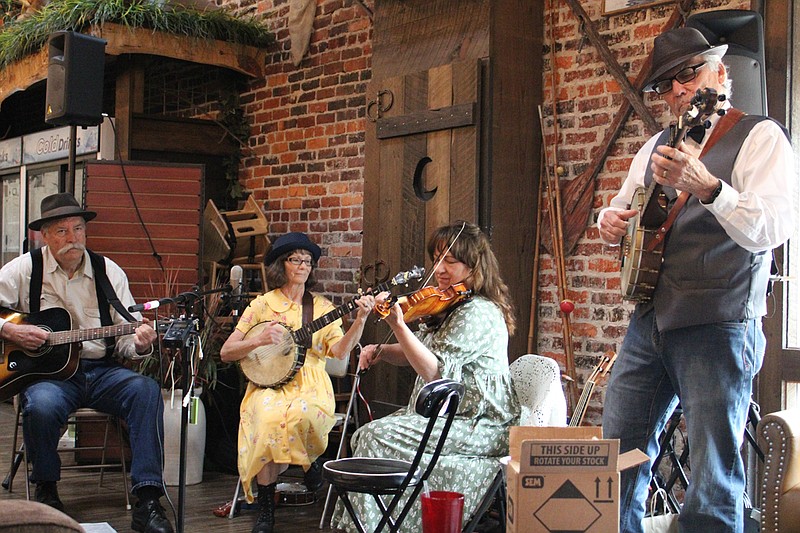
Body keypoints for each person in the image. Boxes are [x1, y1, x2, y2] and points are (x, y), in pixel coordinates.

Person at [598, 27, 796, 533]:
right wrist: (609, 221)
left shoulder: (761, 137)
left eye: (689, 74)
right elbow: (624, 211)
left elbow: (773, 228)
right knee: (619, 452)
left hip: (719, 321)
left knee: (712, 471)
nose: (678, 90)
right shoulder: (654, 147)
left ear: (720, 74)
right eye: (666, 84)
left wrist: (710, 187)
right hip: (650, 320)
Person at [0, 193, 173, 533]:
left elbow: (127, 337)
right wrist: (12, 332)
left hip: (102, 370)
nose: (72, 238)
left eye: (78, 229)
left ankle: (148, 500)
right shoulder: (24, 268)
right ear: (45, 236)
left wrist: (140, 344)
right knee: (42, 405)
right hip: (50, 377)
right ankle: (46, 491)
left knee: (147, 390)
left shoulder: (108, 271)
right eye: (62, 231)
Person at [332, 220, 520, 533]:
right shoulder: (451, 306)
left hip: (481, 424)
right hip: (451, 418)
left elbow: (435, 372)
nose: (441, 269)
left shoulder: (479, 312)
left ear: (475, 267)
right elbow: (418, 354)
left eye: (451, 260)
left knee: (373, 436)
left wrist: (398, 325)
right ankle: (376, 524)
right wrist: (382, 350)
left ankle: (378, 525)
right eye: (437, 259)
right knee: (368, 434)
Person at [219, 231, 375, 533]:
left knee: (301, 413)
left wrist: (361, 319)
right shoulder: (262, 306)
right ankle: (268, 507)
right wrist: (259, 340)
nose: (303, 266)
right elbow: (226, 352)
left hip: (310, 383)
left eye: (307, 261)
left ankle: (310, 463)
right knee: (266, 419)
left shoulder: (322, 308)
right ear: (282, 265)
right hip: (267, 385)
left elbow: (340, 351)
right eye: (295, 260)